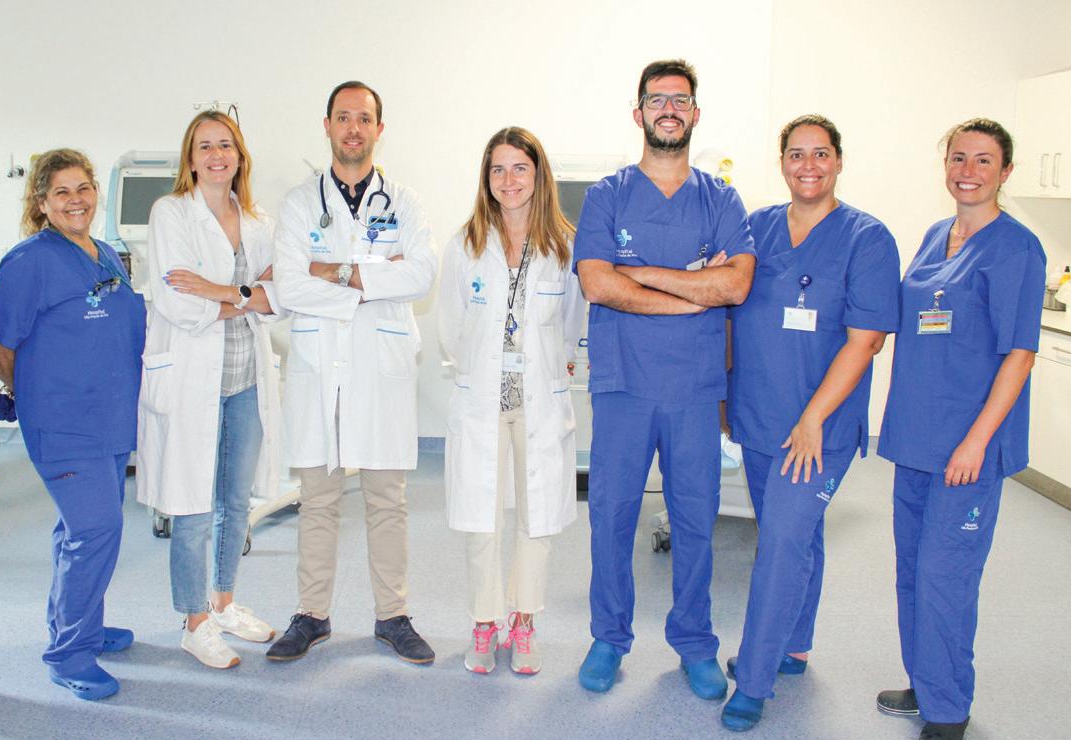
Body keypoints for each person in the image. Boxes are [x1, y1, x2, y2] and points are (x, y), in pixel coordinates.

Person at [573, 59, 756, 697]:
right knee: (612, 516)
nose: (669, 109)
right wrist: (690, 292)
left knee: (696, 520)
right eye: (657, 99)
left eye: (680, 99)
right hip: (623, 384)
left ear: (695, 113)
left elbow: (736, 284)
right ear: (639, 113)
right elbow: (598, 283)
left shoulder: (721, 199)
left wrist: (642, 273)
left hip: (695, 389)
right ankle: (608, 637)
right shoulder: (607, 194)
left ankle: (695, 642)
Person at [719, 115, 900, 731]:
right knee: (794, 533)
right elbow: (732, 307)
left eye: (820, 153)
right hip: (758, 413)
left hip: (819, 427)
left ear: (839, 161)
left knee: (781, 541)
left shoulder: (867, 239)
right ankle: (794, 644)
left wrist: (813, 417)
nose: (808, 166)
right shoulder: (759, 227)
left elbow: (866, 339)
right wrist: (726, 397)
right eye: (796, 154)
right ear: (782, 163)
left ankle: (755, 678)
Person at [876, 118, 1044, 740]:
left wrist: (975, 441)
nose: (967, 171)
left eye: (983, 160)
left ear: (1006, 172)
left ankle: (949, 706)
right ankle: (925, 682)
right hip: (917, 436)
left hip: (968, 447)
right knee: (912, 570)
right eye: (958, 158)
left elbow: (1020, 355)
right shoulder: (934, 236)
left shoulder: (1016, 249)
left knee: (946, 576)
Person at [266, 80, 438, 664]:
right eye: (343, 117)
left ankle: (393, 615)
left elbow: (421, 276)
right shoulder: (299, 203)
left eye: (364, 118)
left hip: (381, 365)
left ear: (379, 129)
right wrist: (375, 276)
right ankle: (311, 614)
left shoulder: (405, 202)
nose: (353, 129)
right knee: (318, 498)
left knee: (387, 498)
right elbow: (290, 287)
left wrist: (334, 272)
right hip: (320, 366)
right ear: (328, 126)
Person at [0, 149, 146, 701]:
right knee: (95, 530)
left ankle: (83, 626)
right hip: (63, 422)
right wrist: (30, 392)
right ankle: (69, 653)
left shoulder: (106, 254)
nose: (76, 200)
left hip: (109, 416)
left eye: (83, 188)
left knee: (82, 529)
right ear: (41, 202)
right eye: (62, 192)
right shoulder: (29, 261)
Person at [438, 127, 586, 676]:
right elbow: (451, 326)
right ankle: (484, 621)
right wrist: (482, 366)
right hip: (482, 398)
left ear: (538, 174)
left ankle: (524, 621)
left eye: (519, 168)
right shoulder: (466, 243)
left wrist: (550, 363)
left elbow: (572, 322)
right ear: (486, 178)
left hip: (539, 398)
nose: (508, 180)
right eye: (497, 169)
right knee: (481, 516)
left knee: (536, 512)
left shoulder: (565, 245)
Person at [136, 110, 279, 669]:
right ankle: (194, 621)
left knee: (235, 501)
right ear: (190, 159)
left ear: (240, 156)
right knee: (192, 504)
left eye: (226, 145)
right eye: (205, 147)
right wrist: (248, 295)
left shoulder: (259, 221)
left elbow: (281, 296)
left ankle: (223, 602)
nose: (217, 155)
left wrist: (222, 291)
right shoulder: (171, 213)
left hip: (245, 378)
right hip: (193, 379)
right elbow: (177, 302)